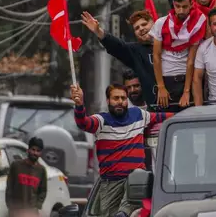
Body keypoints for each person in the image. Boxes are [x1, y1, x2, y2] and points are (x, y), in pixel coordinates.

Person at [71, 83, 173, 217]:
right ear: (108, 101)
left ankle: (124, 213)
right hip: (110, 184)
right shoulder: (101, 121)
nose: (120, 102)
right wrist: (79, 105)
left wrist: (191, 113)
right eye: (116, 98)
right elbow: (83, 123)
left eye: (123, 98)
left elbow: (163, 117)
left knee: (128, 206)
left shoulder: (138, 115)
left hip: (135, 180)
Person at [81, 9, 157, 106]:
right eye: (137, 28)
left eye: (144, 24)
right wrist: (98, 31)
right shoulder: (136, 52)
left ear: (154, 24)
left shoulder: (171, 44)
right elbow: (117, 46)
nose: (141, 29)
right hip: (156, 110)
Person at [149, 0, 207, 109]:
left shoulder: (197, 23)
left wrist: (186, 91)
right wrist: (161, 86)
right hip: (165, 79)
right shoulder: (161, 23)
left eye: (184, 7)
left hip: (186, 78)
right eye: (177, 6)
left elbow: (191, 60)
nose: (180, 10)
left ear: (192, 3)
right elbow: (156, 56)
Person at [5, 137, 47, 217]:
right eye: (33, 149)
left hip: (32, 212)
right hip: (16, 211)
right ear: (28, 150)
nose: (35, 153)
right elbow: (9, 187)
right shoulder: (16, 166)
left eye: (38, 151)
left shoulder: (41, 170)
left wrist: (37, 206)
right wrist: (10, 206)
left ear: (40, 153)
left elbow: (43, 191)